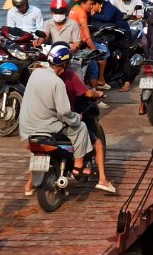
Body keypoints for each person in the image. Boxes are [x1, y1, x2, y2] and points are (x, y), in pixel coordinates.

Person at [19, 45, 103, 194]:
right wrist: (76, 118)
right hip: (47, 126)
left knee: (38, 152)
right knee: (81, 127)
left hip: (27, 126)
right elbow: (64, 112)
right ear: (64, 64)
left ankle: (29, 185)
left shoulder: (36, 73)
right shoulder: (57, 82)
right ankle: (78, 166)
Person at [49, 43, 114, 193]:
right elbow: (88, 94)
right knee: (97, 143)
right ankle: (102, 179)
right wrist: (99, 93)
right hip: (65, 121)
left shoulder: (41, 75)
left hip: (43, 122)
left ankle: (29, 184)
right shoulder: (69, 75)